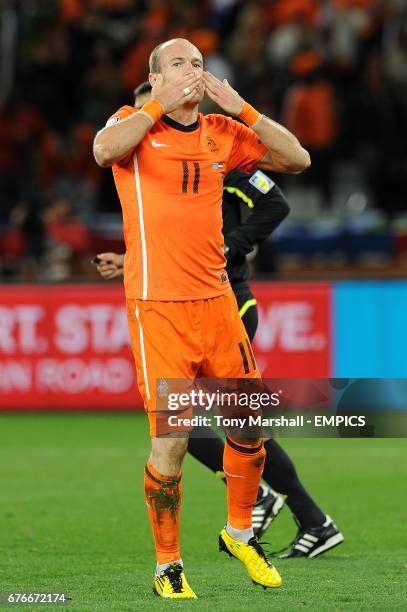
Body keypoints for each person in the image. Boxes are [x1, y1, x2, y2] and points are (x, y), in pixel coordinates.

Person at [93, 37, 310, 599]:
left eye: (198, 64)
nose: (192, 72)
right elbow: (102, 150)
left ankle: (240, 533)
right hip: (159, 309)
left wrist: (243, 108)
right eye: (179, 64)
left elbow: (297, 159)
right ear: (156, 77)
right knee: (172, 440)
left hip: (217, 303)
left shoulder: (224, 132)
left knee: (251, 427)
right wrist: (156, 104)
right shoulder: (134, 124)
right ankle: (168, 565)